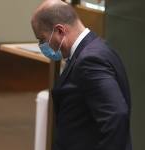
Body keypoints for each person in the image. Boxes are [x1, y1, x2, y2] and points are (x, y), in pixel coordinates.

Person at [31, 0, 132, 150]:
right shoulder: (99, 48)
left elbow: (115, 116)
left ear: (59, 31)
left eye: (42, 39)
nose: (42, 46)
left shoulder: (90, 61)